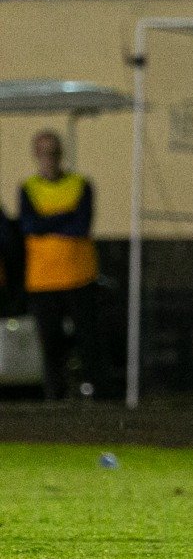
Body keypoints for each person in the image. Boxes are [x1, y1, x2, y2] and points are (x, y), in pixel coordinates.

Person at [18, 130, 104, 400]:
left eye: (54, 152)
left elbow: (81, 226)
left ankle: (97, 391)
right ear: (36, 155)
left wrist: (47, 222)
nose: (50, 158)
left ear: (61, 154)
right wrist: (65, 216)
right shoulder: (29, 188)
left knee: (88, 338)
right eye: (44, 153)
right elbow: (29, 226)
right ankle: (54, 395)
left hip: (79, 275)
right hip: (43, 279)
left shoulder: (80, 184)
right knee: (51, 341)